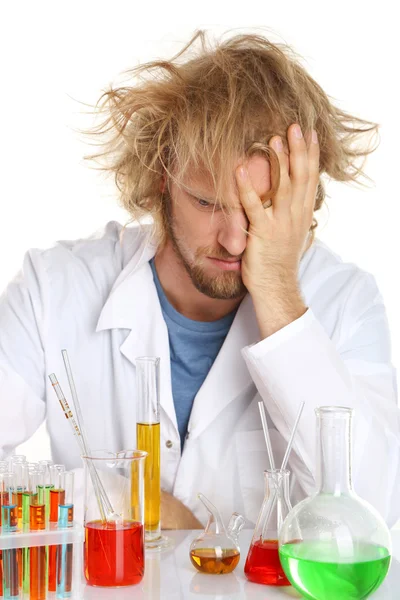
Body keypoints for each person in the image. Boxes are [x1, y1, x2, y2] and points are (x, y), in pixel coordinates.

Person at [0, 31, 399, 529]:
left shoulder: (346, 302)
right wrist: (124, 502)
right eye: (208, 203)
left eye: (266, 207)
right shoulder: (52, 289)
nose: (235, 240)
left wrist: (277, 291)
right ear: (164, 175)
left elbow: (373, 519)